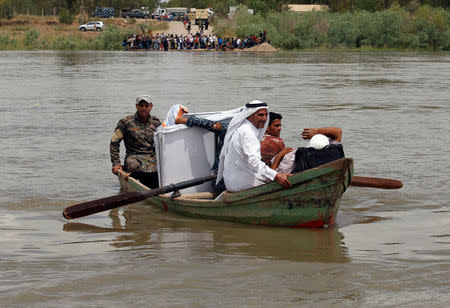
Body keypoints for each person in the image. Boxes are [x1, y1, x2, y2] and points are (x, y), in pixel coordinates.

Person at [217, 101, 292, 193]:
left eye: (265, 115)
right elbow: (254, 162)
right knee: (287, 180)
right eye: (260, 115)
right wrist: (277, 176)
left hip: (233, 182)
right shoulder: (248, 133)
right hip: (241, 183)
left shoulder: (243, 128)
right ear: (249, 115)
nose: (264, 118)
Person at [110, 95, 161, 187]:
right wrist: (116, 163)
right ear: (136, 106)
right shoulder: (125, 122)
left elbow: (162, 142)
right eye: (141, 106)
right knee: (134, 167)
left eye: (146, 106)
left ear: (151, 107)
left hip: (152, 156)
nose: (144, 108)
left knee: (163, 167)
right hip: (134, 156)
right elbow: (114, 142)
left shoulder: (156, 122)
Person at [271, 127, 343, 174]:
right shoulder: (332, 153)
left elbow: (272, 176)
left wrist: (279, 156)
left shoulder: (293, 159)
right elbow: (338, 132)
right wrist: (317, 131)